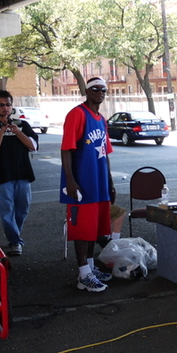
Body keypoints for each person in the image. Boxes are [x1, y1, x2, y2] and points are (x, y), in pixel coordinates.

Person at [60, 77, 115, 293]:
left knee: (94, 229)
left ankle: (90, 268)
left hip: (99, 182)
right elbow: (66, 149)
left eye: (103, 89)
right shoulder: (77, 114)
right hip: (82, 183)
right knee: (81, 229)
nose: (100, 92)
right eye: (96, 89)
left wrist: (110, 182)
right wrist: (70, 180)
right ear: (86, 91)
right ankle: (83, 275)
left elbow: (105, 152)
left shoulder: (101, 119)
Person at [0, 90, 38, 256]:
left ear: (12, 106)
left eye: (8, 104)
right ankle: (15, 241)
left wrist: (17, 132)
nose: (5, 108)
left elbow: (33, 146)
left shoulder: (23, 125)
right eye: (1, 105)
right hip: (1, 174)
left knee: (22, 209)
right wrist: (2, 131)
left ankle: (15, 236)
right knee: (7, 211)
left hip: (23, 173)